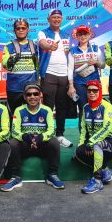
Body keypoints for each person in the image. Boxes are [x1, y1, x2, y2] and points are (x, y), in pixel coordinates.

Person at [1, 83, 65, 191]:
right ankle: (15, 177)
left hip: (41, 145)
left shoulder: (47, 110)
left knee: (54, 141)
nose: (32, 97)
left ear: (40, 95)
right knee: (13, 142)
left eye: (35, 94)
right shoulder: (19, 110)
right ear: (24, 97)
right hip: (26, 145)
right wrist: (25, 137)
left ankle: (52, 175)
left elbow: (51, 130)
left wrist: (41, 137)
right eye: (29, 94)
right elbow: (14, 131)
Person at [73, 80, 112, 194]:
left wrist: (91, 141)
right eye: (89, 90)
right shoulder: (85, 107)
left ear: (100, 91)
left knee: (97, 145)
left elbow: (106, 128)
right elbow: (83, 129)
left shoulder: (107, 106)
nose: (92, 93)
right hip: (95, 141)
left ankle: (97, 180)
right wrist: (81, 145)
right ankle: (105, 170)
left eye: (95, 90)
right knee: (79, 152)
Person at [38, 9, 73, 148]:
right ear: (48, 19)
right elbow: (42, 44)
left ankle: (60, 135)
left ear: (62, 19)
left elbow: (67, 54)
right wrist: (49, 46)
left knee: (62, 106)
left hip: (63, 75)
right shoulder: (43, 33)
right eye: (54, 17)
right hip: (49, 74)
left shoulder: (66, 35)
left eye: (59, 17)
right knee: (48, 106)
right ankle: (47, 135)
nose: (56, 19)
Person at [67, 25, 104, 131]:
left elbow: (102, 65)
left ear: (89, 35)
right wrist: (71, 86)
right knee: (83, 108)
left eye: (85, 34)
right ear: (76, 36)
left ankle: (97, 132)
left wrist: (96, 62)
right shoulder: (73, 51)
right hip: (79, 83)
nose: (83, 36)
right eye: (80, 34)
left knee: (96, 106)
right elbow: (70, 69)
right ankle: (83, 135)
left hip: (94, 82)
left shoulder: (95, 48)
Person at [2, 18, 39, 114]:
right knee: (14, 115)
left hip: (31, 88)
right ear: (14, 31)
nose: (21, 30)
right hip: (14, 88)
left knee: (32, 114)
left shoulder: (34, 45)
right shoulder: (8, 45)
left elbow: (37, 66)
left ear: (28, 29)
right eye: (18, 28)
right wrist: (10, 60)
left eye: (23, 28)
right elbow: (5, 64)